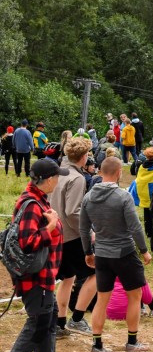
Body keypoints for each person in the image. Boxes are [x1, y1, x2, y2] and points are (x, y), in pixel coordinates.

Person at [79, 156, 152, 352]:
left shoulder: (88, 197)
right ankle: (132, 342)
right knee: (135, 296)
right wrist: (144, 250)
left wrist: (87, 252)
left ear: (101, 173)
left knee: (102, 299)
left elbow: (83, 228)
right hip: (125, 253)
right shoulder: (123, 196)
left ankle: (97, 345)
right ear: (119, 172)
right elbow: (135, 227)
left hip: (101, 253)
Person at [2, 159, 65, 352]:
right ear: (48, 180)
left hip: (42, 276)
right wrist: (52, 225)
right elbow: (28, 243)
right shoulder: (32, 204)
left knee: (48, 317)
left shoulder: (37, 199)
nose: (58, 181)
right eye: (56, 177)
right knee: (38, 322)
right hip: (37, 277)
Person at [50, 137, 97, 338]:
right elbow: (72, 212)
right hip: (71, 236)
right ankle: (76, 319)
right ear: (84, 156)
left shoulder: (58, 172)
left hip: (56, 234)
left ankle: (60, 324)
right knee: (98, 273)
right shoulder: (76, 178)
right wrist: (89, 232)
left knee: (67, 278)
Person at [130, 147, 153, 257]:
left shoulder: (141, 166)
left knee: (148, 217)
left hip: (144, 195)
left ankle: (150, 237)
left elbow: (139, 179)